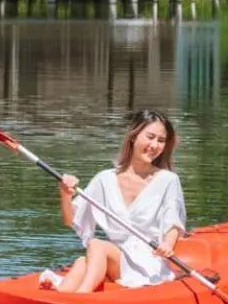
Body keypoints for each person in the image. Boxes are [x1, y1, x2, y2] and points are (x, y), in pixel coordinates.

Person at [40, 109, 186, 293]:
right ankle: (61, 298)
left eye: (161, 140)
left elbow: (172, 224)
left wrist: (167, 244)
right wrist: (65, 195)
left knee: (95, 245)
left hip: (148, 262)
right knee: (83, 262)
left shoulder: (168, 180)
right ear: (133, 136)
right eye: (150, 137)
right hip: (116, 258)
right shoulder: (105, 179)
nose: (155, 145)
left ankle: (81, 297)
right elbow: (71, 220)